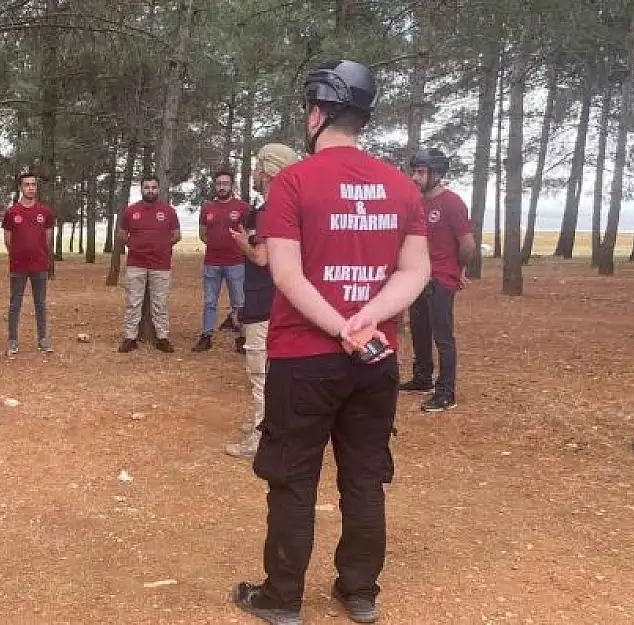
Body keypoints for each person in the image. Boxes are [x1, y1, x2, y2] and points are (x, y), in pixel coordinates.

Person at [231, 60, 431, 625]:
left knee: (293, 478)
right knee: (365, 477)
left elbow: (288, 277)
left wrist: (341, 325)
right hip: (375, 360)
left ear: (317, 114)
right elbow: (414, 272)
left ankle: (282, 597)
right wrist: (365, 319)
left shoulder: (292, 182)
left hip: (303, 360)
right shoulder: (399, 185)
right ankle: (360, 590)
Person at [223, 144, 300, 459]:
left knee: (260, 371)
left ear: (268, 171)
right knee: (272, 370)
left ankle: (260, 436)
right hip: (278, 302)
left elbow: (261, 257)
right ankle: (267, 425)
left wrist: (242, 243)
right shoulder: (286, 208)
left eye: (256, 166)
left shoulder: (269, 211)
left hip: (263, 302)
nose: (253, 173)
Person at [400, 148, 475, 412]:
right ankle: (422, 377)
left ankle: (446, 391)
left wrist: (459, 269)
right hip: (419, 277)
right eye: (414, 171)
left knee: (442, 336)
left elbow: (467, 243)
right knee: (419, 330)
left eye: (421, 172)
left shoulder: (452, 202)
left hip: (442, 278)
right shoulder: (417, 202)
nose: (415, 177)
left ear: (437, 174)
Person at [116, 175, 180, 354]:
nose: (150, 191)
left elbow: (176, 235)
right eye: (146, 187)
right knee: (133, 302)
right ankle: (130, 338)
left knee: (160, 303)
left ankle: (162, 338)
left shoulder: (168, 211)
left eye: (153, 187)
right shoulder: (131, 211)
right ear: (141, 189)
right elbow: (122, 233)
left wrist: (162, 246)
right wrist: (133, 246)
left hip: (161, 265)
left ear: (158, 189)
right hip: (136, 263)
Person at [192, 170, 250, 353]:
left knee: (239, 302)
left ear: (232, 185)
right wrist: (217, 244)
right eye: (219, 183)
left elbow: (248, 234)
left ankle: (242, 338)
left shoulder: (243, 207)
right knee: (209, 301)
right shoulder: (207, 207)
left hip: (236, 263)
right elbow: (203, 234)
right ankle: (206, 336)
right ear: (214, 185)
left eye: (226, 183)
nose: (222, 187)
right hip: (212, 263)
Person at [2, 172, 56, 355]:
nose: (31, 188)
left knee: (40, 303)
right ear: (20, 188)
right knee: (15, 304)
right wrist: (18, 254)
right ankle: (12, 340)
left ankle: (43, 339)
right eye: (27, 184)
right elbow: (8, 240)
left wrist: (41, 256)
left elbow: (47, 239)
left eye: (33, 184)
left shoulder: (45, 212)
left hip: (39, 266)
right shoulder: (12, 212)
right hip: (18, 266)